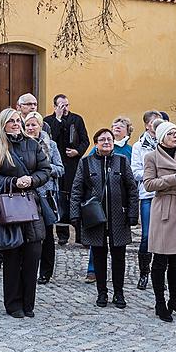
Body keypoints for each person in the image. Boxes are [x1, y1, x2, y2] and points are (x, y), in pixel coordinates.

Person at [0, 108, 52, 318]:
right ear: (3, 124)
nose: (15, 123)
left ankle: (28, 303)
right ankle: (13, 304)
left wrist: (32, 180)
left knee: (32, 256)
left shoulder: (32, 144)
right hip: (9, 206)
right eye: (10, 121)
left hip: (31, 206)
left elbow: (45, 170)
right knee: (12, 257)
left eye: (17, 120)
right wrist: (12, 182)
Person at [71, 128, 138, 308]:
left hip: (118, 217)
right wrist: (75, 214)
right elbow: (77, 189)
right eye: (102, 139)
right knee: (98, 256)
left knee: (119, 257)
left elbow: (132, 189)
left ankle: (119, 293)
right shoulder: (86, 163)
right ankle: (102, 292)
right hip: (95, 218)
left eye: (109, 139)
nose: (106, 142)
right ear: (96, 143)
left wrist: (132, 213)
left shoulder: (122, 161)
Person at [143, 121, 176, 322]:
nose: (175, 136)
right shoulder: (152, 157)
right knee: (160, 259)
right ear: (162, 136)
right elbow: (148, 184)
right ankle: (159, 302)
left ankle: (175, 300)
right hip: (164, 207)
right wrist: (174, 179)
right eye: (171, 133)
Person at [22, 112, 64, 284]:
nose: (31, 128)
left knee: (46, 235)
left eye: (34, 125)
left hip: (45, 194)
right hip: (26, 194)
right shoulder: (21, 144)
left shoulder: (51, 145)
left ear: (41, 126)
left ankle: (46, 271)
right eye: (28, 125)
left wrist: (44, 169)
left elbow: (61, 169)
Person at [45, 94, 89, 247]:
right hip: (56, 166)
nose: (65, 109)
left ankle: (80, 234)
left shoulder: (77, 119)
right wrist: (57, 119)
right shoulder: (48, 122)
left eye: (67, 105)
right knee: (59, 199)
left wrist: (77, 151)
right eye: (62, 106)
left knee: (76, 197)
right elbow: (51, 139)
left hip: (73, 165)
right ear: (55, 106)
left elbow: (85, 140)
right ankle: (62, 235)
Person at [131, 110, 163, 290]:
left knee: (163, 236)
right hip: (148, 194)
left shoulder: (166, 142)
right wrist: (154, 175)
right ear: (147, 125)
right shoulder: (139, 146)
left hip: (165, 194)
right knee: (146, 236)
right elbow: (135, 171)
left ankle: (159, 274)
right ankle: (144, 273)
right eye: (154, 123)